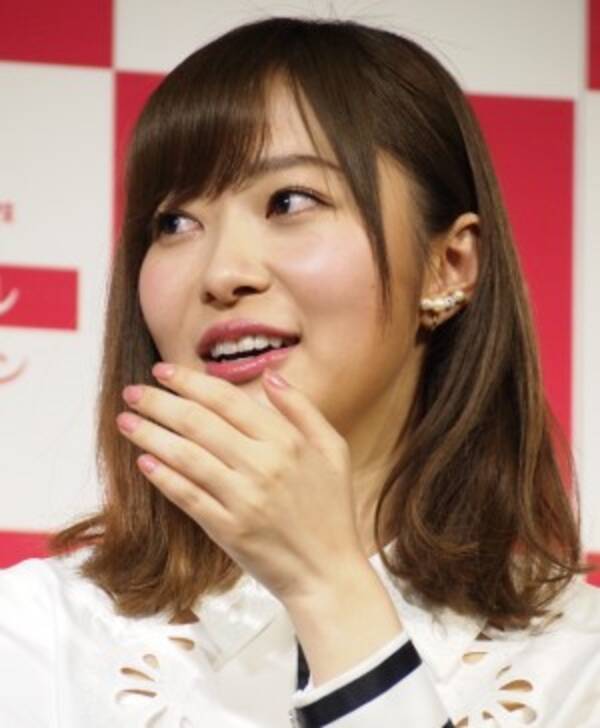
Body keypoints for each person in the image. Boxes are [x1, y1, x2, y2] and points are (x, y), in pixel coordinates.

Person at [1, 15, 599, 727]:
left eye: (289, 202)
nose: (221, 273)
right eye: (175, 223)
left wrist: (328, 589)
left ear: (447, 265)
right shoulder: (37, 635)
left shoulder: (576, 663)